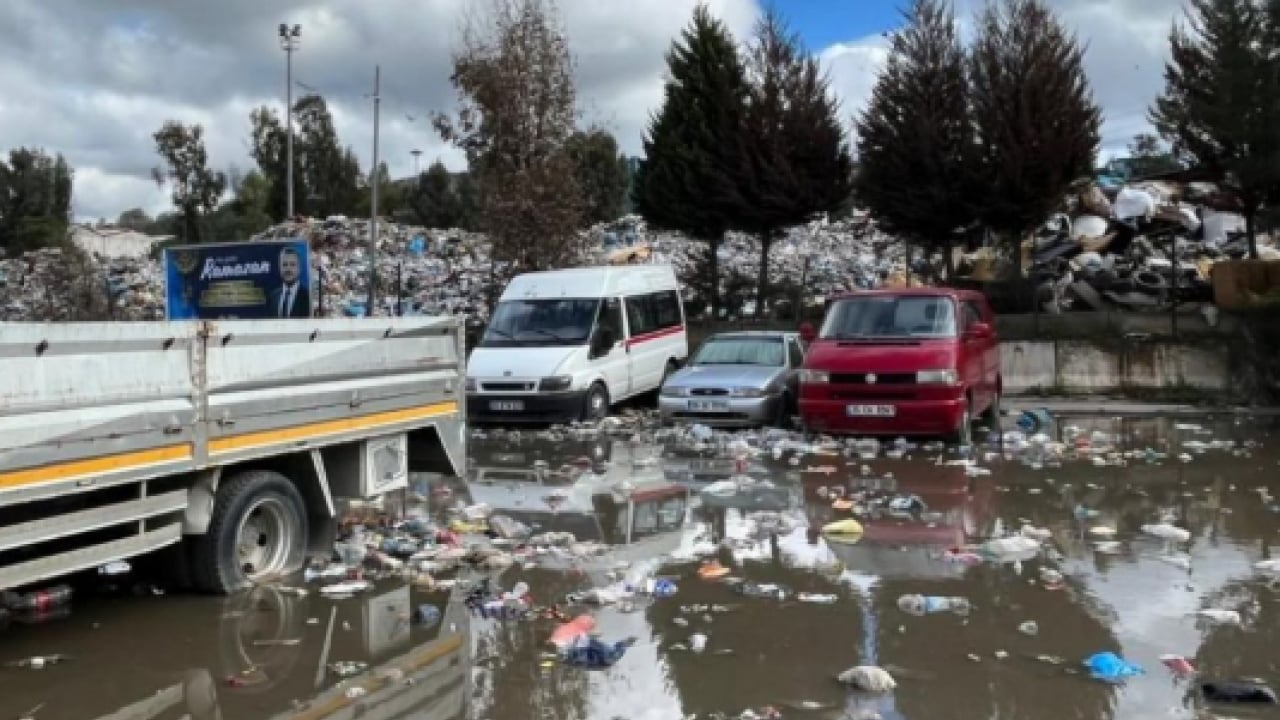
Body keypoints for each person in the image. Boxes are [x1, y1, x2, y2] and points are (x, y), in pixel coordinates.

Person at [268, 246, 311, 318]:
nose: (288, 269)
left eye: (292, 264)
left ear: (299, 268)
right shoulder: (273, 297)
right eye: (284, 265)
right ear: (279, 268)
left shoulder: (307, 296)